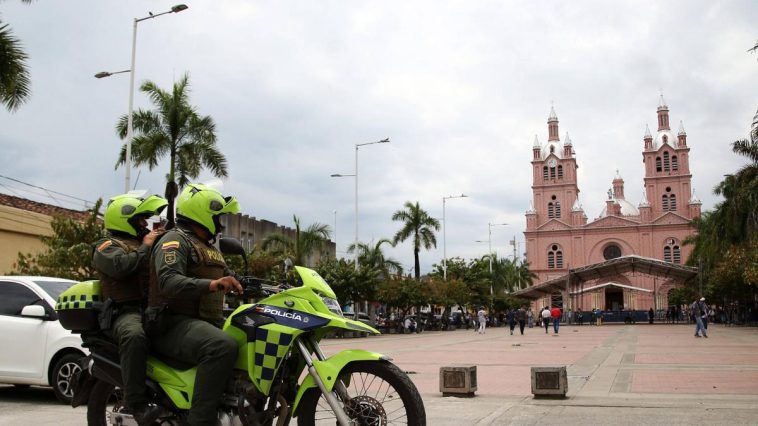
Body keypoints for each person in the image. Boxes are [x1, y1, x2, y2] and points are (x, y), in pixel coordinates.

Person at [148, 183, 242, 426]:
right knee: (221, 346)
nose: (220, 223)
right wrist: (212, 285)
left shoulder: (209, 249)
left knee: (247, 337)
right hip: (172, 322)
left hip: (204, 322)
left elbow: (228, 277)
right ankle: (201, 420)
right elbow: (169, 281)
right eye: (217, 217)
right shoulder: (174, 240)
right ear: (203, 213)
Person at [93, 192, 167, 425]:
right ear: (123, 220)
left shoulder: (145, 244)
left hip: (151, 309)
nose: (145, 225)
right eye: (140, 221)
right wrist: (146, 247)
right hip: (124, 312)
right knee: (134, 335)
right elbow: (121, 267)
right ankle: (136, 404)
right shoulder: (107, 246)